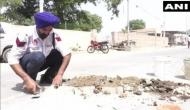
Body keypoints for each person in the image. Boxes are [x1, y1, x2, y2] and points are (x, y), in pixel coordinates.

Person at [8, 11, 71, 94]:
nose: (47, 32)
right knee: (38, 56)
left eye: (50, 29)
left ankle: (47, 77)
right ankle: (30, 80)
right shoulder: (26, 34)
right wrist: (26, 78)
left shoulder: (53, 34)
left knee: (59, 54)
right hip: (26, 65)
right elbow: (12, 58)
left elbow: (67, 54)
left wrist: (60, 74)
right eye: (44, 29)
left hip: (41, 61)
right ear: (38, 26)